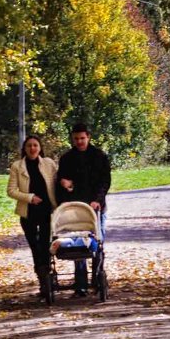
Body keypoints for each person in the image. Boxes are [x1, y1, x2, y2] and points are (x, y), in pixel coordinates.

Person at [56, 122, 111, 296]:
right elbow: (61, 181)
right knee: (78, 245)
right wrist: (63, 183)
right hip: (76, 208)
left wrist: (97, 200)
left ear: (88, 137)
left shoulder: (99, 156)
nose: (79, 141)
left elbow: (105, 182)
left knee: (97, 244)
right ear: (72, 139)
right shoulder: (66, 158)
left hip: (95, 206)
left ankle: (97, 279)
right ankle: (80, 284)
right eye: (76, 139)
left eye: (82, 138)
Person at [7, 135, 58, 300]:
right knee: (35, 247)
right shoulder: (17, 166)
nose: (32, 148)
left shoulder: (49, 164)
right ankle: (43, 280)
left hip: (46, 212)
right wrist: (30, 197)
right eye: (29, 146)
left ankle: (48, 279)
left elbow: (57, 182)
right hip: (28, 213)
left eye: (35, 145)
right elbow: (11, 191)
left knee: (45, 245)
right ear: (25, 148)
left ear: (40, 148)